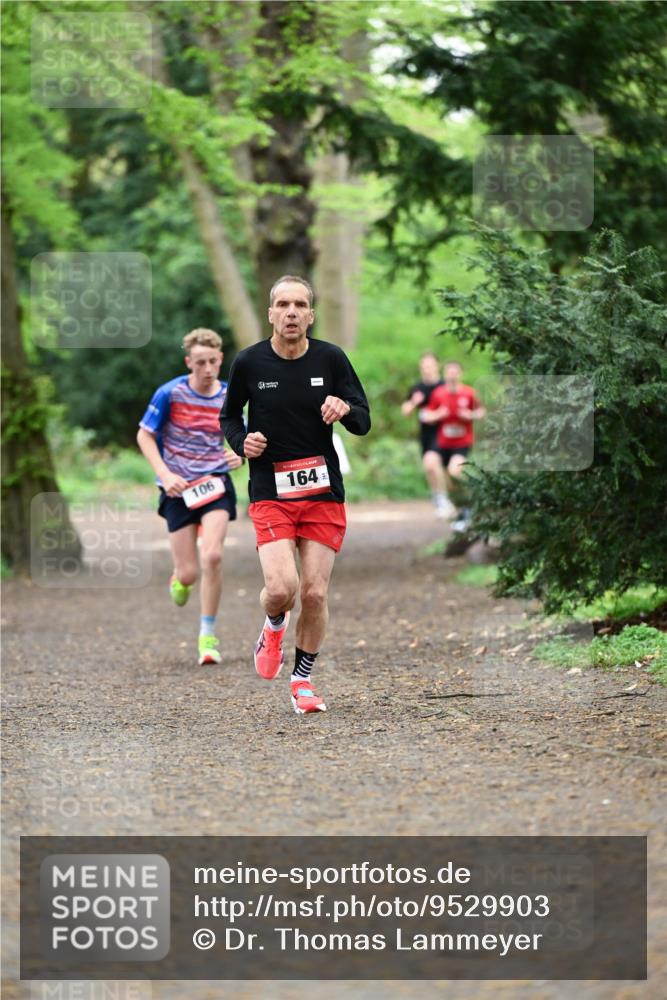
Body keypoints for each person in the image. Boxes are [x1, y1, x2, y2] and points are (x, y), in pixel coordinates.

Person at [221, 275, 370, 715]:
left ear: (310, 314)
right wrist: (241, 441)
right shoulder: (249, 363)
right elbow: (229, 417)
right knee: (282, 589)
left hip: (323, 492)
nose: (290, 312)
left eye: (299, 305)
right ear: (270, 313)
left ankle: (302, 680)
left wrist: (345, 409)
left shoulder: (331, 358)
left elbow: (363, 419)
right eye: (282, 304)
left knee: (315, 594)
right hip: (271, 490)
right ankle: (271, 626)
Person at [137, 328, 243, 665]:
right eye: (200, 363)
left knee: (212, 556)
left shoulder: (229, 395)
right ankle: (180, 580)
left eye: (213, 361)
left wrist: (239, 454)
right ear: (188, 362)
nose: (207, 368)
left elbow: (240, 437)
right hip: (178, 489)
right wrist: (165, 474)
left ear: (221, 359)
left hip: (215, 483)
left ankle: (207, 637)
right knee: (188, 573)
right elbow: (144, 435)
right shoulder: (170, 393)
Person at [421, 360, 485, 532]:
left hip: (461, 443)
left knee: (454, 472)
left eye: (455, 372)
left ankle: (465, 509)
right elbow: (426, 414)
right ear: (445, 374)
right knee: (429, 461)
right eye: (449, 372)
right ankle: (442, 500)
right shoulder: (438, 393)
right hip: (442, 442)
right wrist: (437, 414)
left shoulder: (469, 393)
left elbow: (481, 412)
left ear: (460, 374)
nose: (452, 375)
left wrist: (470, 415)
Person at [401, 352, 454, 518]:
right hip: (428, 436)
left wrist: (437, 415)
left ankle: (449, 500)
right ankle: (440, 499)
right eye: (423, 366)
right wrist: (414, 402)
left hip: (449, 435)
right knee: (431, 467)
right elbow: (406, 411)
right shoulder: (418, 388)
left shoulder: (446, 386)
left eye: (429, 366)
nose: (426, 370)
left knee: (448, 472)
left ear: (437, 366)